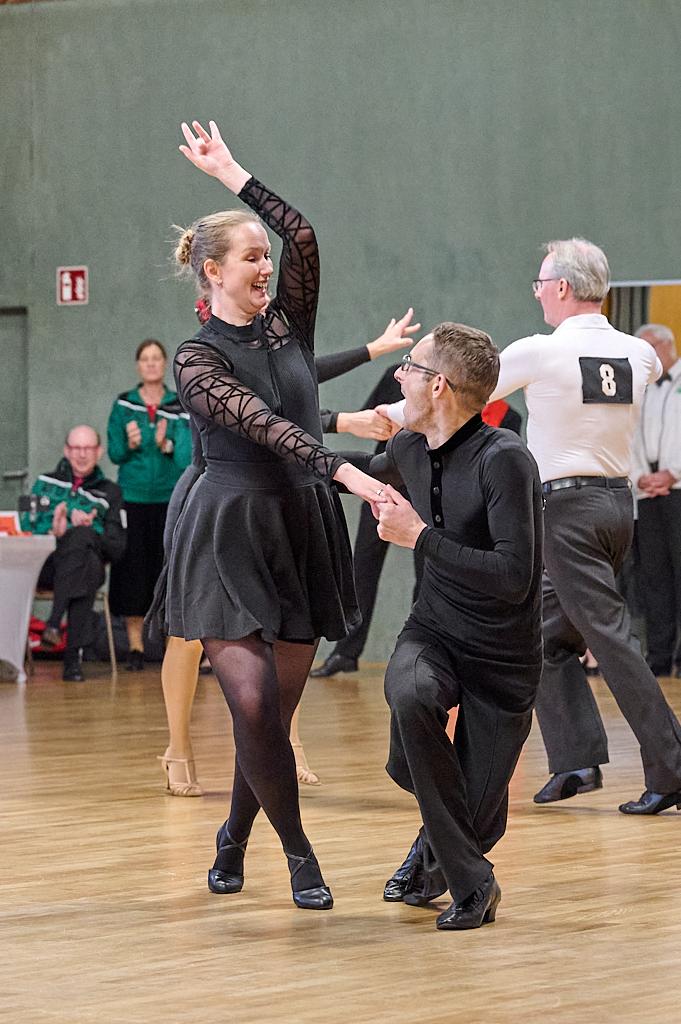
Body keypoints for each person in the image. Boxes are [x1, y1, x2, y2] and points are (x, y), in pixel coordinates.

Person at [164, 119, 382, 910]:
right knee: (252, 703)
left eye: (265, 256)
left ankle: (232, 837)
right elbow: (262, 423)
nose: (265, 264)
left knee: (271, 716)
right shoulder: (194, 360)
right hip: (228, 527)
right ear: (213, 275)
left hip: (297, 525)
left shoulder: (289, 323)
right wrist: (343, 470)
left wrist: (233, 176)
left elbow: (303, 232)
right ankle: (300, 855)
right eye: (249, 256)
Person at [155, 316, 417, 797]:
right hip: (210, 493)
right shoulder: (204, 358)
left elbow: (300, 377)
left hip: (274, 492)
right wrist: (343, 421)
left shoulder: (273, 347)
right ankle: (178, 748)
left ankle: (287, 741)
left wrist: (373, 348)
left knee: (284, 625)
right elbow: (264, 422)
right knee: (189, 636)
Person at [487, 239, 681, 814]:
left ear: (563, 288)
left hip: (567, 512)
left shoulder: (539, 353)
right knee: (544, 639)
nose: (539, 293)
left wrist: (395, 414)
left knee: (611, 641)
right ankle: (575, 760)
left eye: (541, 283)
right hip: (618, 507)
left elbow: (467, 394)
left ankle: (672, 769)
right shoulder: (639, 355)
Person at [364, 323, 542, 930]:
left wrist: (420, 538)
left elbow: (513, 576)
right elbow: (363, 469)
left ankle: (429, 855)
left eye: (408, 366)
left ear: (438, 385)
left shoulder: (507, 460)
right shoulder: (411, 448)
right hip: (434, 633)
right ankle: (475, 884)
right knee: (410, 696)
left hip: (503, 656)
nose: (398, 375)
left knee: (478, 811)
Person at [312, 369, 521, 679]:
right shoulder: (396, 384)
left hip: (435, 497)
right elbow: (372, 428)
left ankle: (423, 648)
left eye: (413, 365)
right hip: (386, 482)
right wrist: (320, 461)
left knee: (428, 570)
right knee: (363, 565)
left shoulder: (504, 423)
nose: (401, 373)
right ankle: (346, 649)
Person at [107, 339, 192, 670]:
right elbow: (114, 453)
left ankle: (173, 648)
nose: (152, 364)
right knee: (132, 571)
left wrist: (167, 444)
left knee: (168, 570)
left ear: (164, 363)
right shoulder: (124, 405)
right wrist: (129, 445)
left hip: (169, 498)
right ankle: (135, 647)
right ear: (138, 366)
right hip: (133, 497)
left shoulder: (179, 405)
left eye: (157, 358)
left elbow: (187, 457)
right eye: (145, 359)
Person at [21, 425, 126, 681]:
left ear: (99, 452)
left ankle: (54, 623)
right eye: (76, 448)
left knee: (84, 549)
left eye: (88, 448)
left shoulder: (111, 492)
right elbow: (24, 525)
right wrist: (55, 532)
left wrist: (88, 532)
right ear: (66, 450)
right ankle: (71, 660)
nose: (82, 454)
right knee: (83, 560)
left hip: (90, 563)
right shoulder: (43, 483)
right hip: (47, 565)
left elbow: (117, 547)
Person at [631, 324, 681, 676]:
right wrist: (639, 477)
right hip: (646, 494)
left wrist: (673, 473)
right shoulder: (637, 388)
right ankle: (660, 656)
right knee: (654, 578)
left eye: (648, 349)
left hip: (678, 491)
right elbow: (627, 435)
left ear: (667, 346)